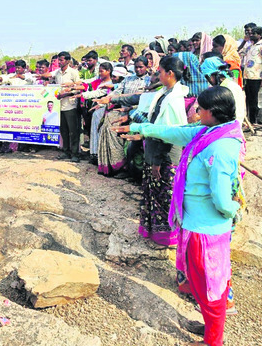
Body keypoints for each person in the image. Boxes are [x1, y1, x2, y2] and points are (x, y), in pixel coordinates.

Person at [114, 86, 244, 346]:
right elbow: (174, 132)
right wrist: (142, 128)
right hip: (195, 223)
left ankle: (212, 341)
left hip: (205, 231)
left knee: (209, 288)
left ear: (212, 112)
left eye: (199, 109)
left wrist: (234, 211)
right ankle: (210, 329)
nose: (195, 112)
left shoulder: (219, 149)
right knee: (203, 284)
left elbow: (221, 199)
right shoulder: (207, 133)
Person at [136, 56, 189, 246]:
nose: (158, 75)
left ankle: (168, 236)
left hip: (164, 155)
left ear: (170, 73)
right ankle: (156, 232)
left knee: (164, 196)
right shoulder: (166, 94)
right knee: (155, 194)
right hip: (156, 151)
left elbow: (169, 133)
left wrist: (157, 161)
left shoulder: (174, 100)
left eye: (160, 71)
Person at [95, 56, 150, 175]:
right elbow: (118, 91)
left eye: (141, 67)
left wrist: (114, 100)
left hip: (138, 111)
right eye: (136, 67)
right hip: (121, 109)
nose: (138, 70)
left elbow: (139, 98)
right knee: (108, 124)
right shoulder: (128, 79)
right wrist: (106, 99)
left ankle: (125, 167)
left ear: (147, 67)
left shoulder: (149, 81)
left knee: (125, 136)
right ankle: (112, 165)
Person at [54, 51, 82, 163]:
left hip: (70, 105)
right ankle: (66, 151)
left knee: (73, 131)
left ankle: (75, 153)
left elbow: (79, 87)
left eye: (61, 60)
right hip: (59, 105)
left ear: (67, 60)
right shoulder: (57, 73)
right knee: (63, 130)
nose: (59, 62)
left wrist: (67, 93)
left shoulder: (73, 73)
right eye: (58, 60)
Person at [201, 56, 246, 123]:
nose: (208, 81)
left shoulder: (228, 89)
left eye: (208, 77)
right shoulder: (226, 86)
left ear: (215, 75)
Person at [243, 26, 262, 125]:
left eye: (253, 33)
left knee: (256, 101)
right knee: (249, 100)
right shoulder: (250, 46)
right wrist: (244, 41)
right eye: (250, 33)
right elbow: (240, 53)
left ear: (260, 35)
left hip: (257, 78)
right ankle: (251, 121)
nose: (251, 35)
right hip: (248, 77)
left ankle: (256, 122)